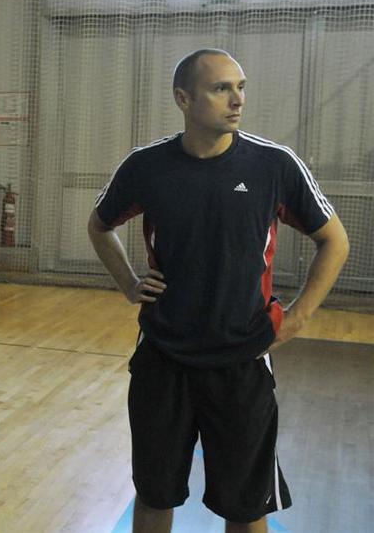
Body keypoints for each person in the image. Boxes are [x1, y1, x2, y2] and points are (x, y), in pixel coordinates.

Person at [87, 48, 349, 533]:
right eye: (221, 88)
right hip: (162, 360)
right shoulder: (147, 166)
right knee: (155, 496)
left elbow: (334, 240)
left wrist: (298, 318)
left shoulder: (273, 165)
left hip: (241, 361)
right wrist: (128, 283)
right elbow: (100, 225)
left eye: (241, 87)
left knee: (245, 507)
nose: (237, 99)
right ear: (183, 99)